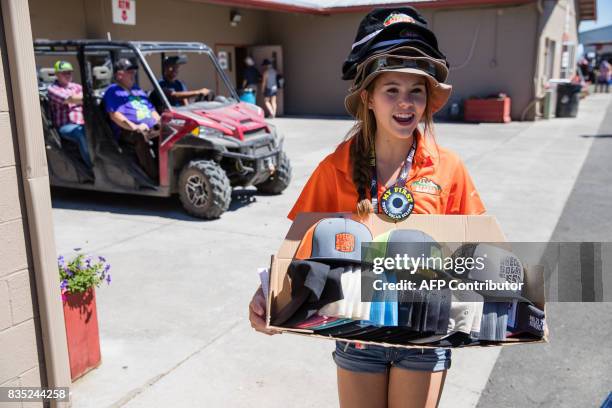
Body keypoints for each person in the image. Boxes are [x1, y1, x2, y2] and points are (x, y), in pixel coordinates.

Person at [249, 7, 486, 408]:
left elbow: (477, 251)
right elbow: (296, 247)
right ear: (368, 98)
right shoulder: (335, 167)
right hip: (357, 335)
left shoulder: (450, 168)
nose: (405, 103)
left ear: (428, 101)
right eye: (391, 90)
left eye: (416, 91)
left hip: (425, 338)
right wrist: (269, 298)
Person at [103, 58, 161, 180]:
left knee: (169, 131)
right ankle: (153, 176)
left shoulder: (137, 90)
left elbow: (152, 110)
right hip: (128, 130)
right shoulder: (113, 91)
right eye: (129, 71)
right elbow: (114, 116)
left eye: (133, 71)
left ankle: (168, 171)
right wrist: (134, 127)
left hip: (149, 126)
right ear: (119, 75)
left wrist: (159, 122)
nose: (133, 74)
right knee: (140, 135)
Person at [47, 60, 92, 167]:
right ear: (57, 74)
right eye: (64, 73)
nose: (68, 75)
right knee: (82, 133)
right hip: (65, 126)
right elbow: (70, 99)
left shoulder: (77, 86)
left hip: (83, 123)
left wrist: (82, 97)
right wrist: (84, 97)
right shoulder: (53, 89)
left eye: (69, 72)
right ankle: (92, 167)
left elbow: (84, 97)